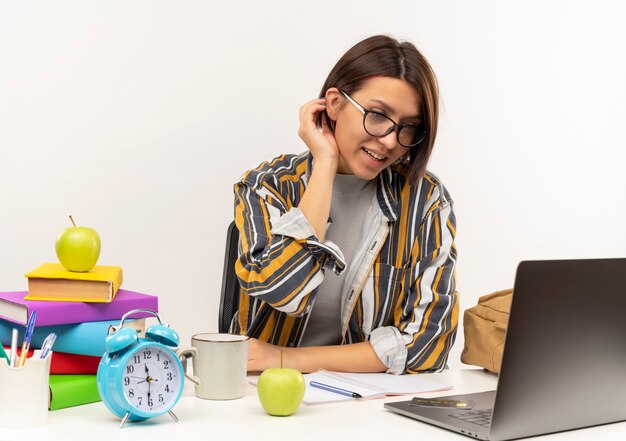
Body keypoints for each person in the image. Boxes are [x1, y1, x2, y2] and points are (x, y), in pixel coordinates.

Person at [232, 34, 458, 375]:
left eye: (408, 128)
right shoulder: (267, 186)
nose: (390, 141)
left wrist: (285, 359)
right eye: (378, 115)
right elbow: (284, 293)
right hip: (260, 399)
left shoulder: (425, 200)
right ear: (334, 104)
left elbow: (428, 347)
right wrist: (324, 163)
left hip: (367, 402)